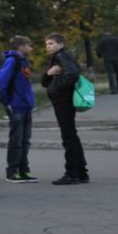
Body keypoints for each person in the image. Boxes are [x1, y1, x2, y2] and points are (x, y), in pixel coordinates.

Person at [44, 33, 89, 184]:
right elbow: (45, 81)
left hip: (63, 100)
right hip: (63, 100)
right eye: (46, 44)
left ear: (61, 44)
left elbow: (73, 74)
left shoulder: (61, 56)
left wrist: (58, 88)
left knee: (68, 136)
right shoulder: (58, 58)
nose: (48, 46)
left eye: (51, 43)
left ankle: (72, 173)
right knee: (71, 135)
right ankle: (81, 172)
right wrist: (49, 74)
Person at [0, 35, 38, 182]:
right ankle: (12, 171)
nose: (31, 48)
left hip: (26, 106)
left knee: (25, 140)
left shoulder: (23, 61)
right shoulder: (12, 61)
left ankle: (24, 169)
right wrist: (7, 102)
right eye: (28, 46)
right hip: (16, 106)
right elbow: (1, 83)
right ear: (21, 47)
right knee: (16, 140)